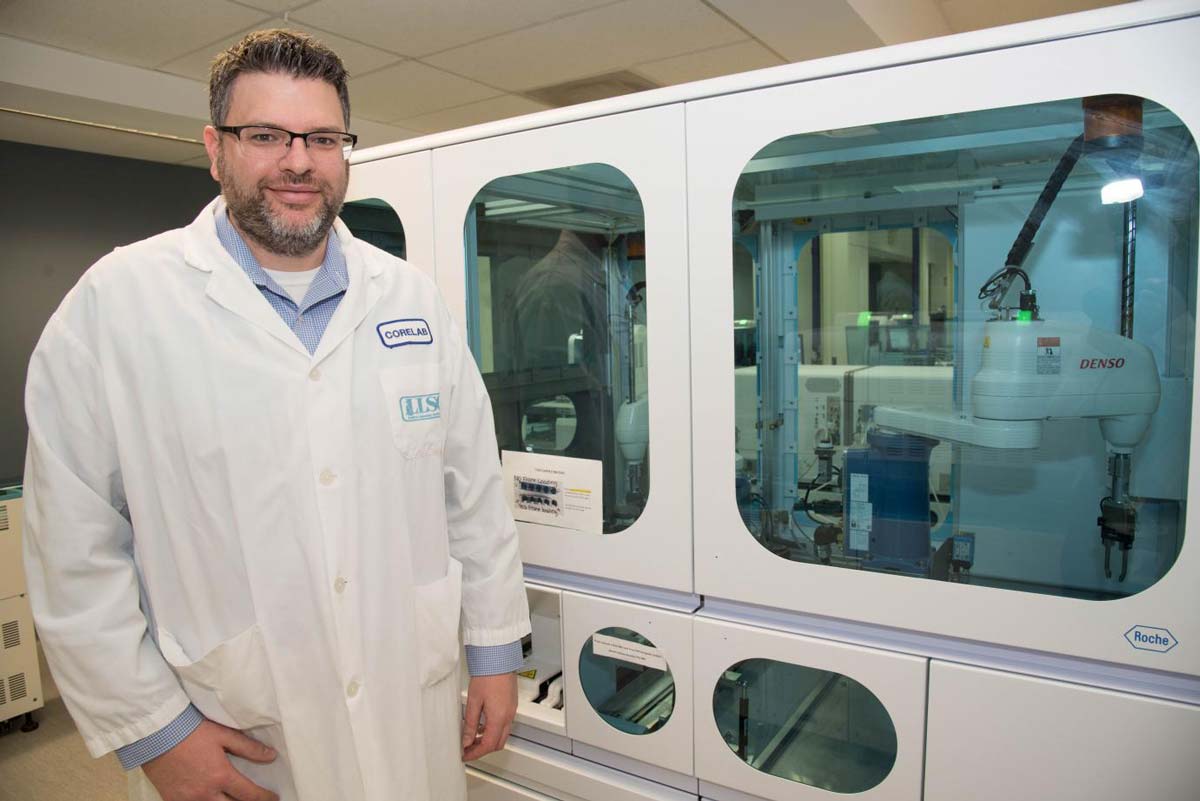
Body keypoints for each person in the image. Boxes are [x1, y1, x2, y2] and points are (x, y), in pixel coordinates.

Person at [22, 29, 530, 801]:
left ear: (345, 152)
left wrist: (494, 650)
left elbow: (473, 492)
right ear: (215, 148)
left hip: (408, 702)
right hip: (233, 728)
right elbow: (73, 549)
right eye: (266, 135)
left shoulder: (409, 298)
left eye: (323, 137)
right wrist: (156, 731)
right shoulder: (115, 308)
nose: (299, 160)